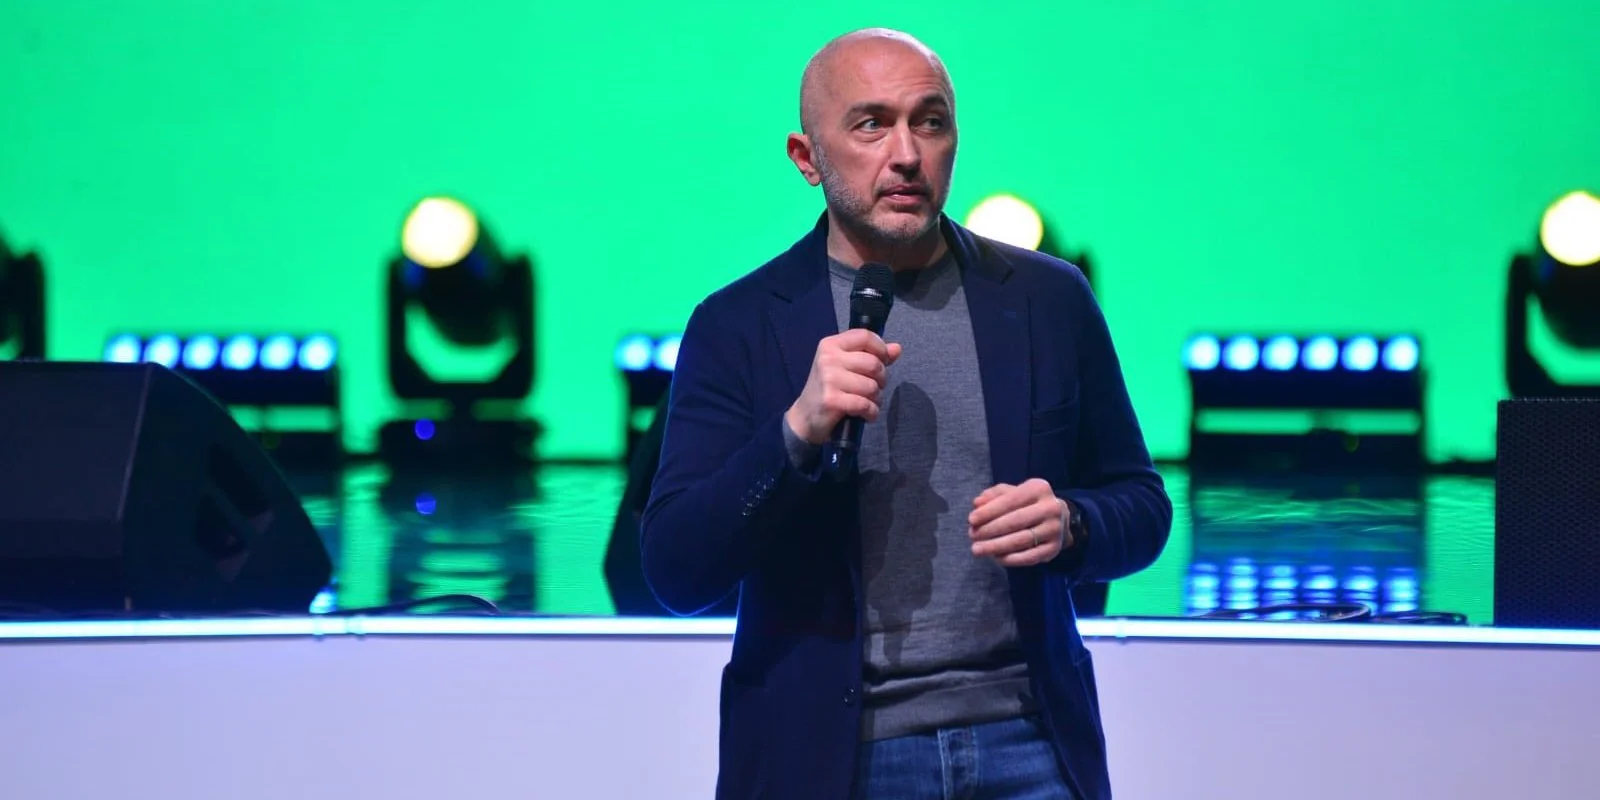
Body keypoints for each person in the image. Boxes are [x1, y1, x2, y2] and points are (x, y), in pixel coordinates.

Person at [640, 28, 1172, 800]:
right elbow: (675, 570)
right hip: (831, 760)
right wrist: (794, 434)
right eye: (871, 125)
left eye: (930, 122)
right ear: (806, 158)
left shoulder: (1048, 300)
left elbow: (1142, 507)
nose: (907, 155)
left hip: (1030, 743)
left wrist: (1072, 525)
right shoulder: (738, 326)